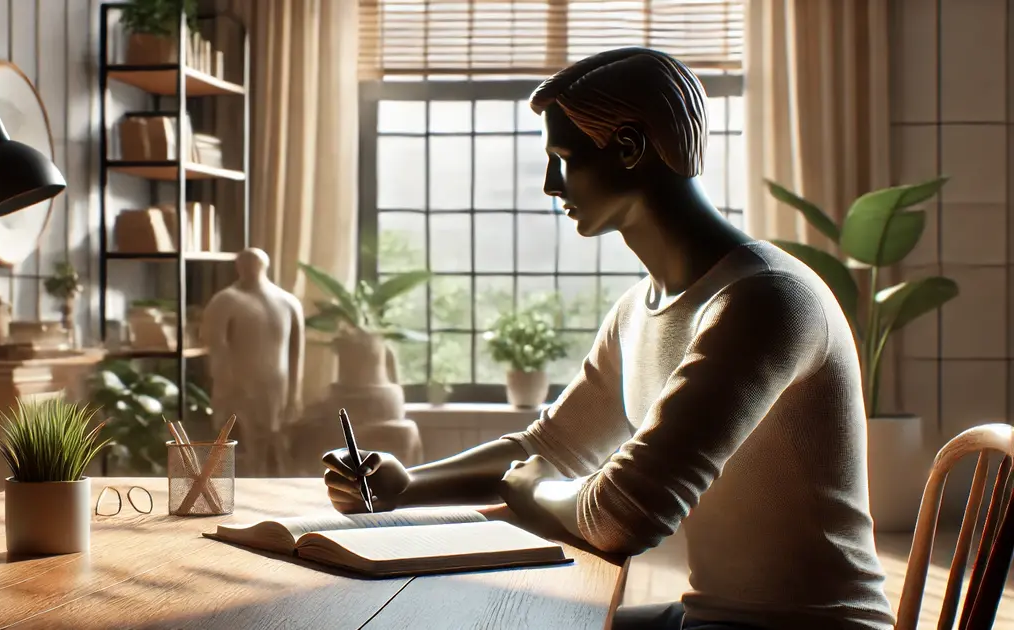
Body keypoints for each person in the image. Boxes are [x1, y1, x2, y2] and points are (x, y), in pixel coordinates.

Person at [322, 47, 896, 630]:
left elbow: (627, 515)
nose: (550, 184)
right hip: (710, 618)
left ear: (628, 149)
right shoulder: (638, 310)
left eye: (563, 158)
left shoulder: (765, 301)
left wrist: (537, 489)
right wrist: (406, 485)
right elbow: (551, 445)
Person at [201, 248, 304, 476]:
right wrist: (225, 388)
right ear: (238, 266)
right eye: (245, 263)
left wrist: (295, 393)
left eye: (254, 263)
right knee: (244, 448)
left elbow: (297, 351)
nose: (250, 268)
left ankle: (274, 493)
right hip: (240, 385)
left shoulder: (288, 302)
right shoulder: (225, 301)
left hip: (278, 385)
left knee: (275, 445)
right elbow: (217, 349)